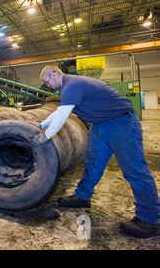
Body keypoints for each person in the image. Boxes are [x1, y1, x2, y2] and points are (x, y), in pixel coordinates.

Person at [29, 65, 159, 238]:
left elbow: (62, 116)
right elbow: (59, 111)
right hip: (100, 126)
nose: (47, 86)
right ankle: (82, 197)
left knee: (134, 170)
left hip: (121, 124)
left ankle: (150, 219)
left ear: (53, 74)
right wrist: (41, 125)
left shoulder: (72, 84)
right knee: (92, 163)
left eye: (47, 81)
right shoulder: (68, 87)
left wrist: (45, 137)